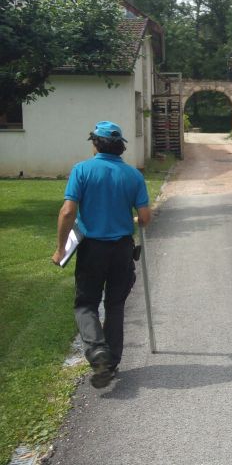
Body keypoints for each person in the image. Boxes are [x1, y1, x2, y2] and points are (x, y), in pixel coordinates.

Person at [52, 121, 152, 388]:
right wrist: (128, 217)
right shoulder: (133, 175)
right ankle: (112, 361)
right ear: (120, 146)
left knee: (86, 304)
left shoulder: (82, 170)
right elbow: (144, 217)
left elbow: (68, 211)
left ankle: (98, 352)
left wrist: (61, 248)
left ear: (95, 143)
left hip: (92, 249)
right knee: (115, 304)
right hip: (121, 249)